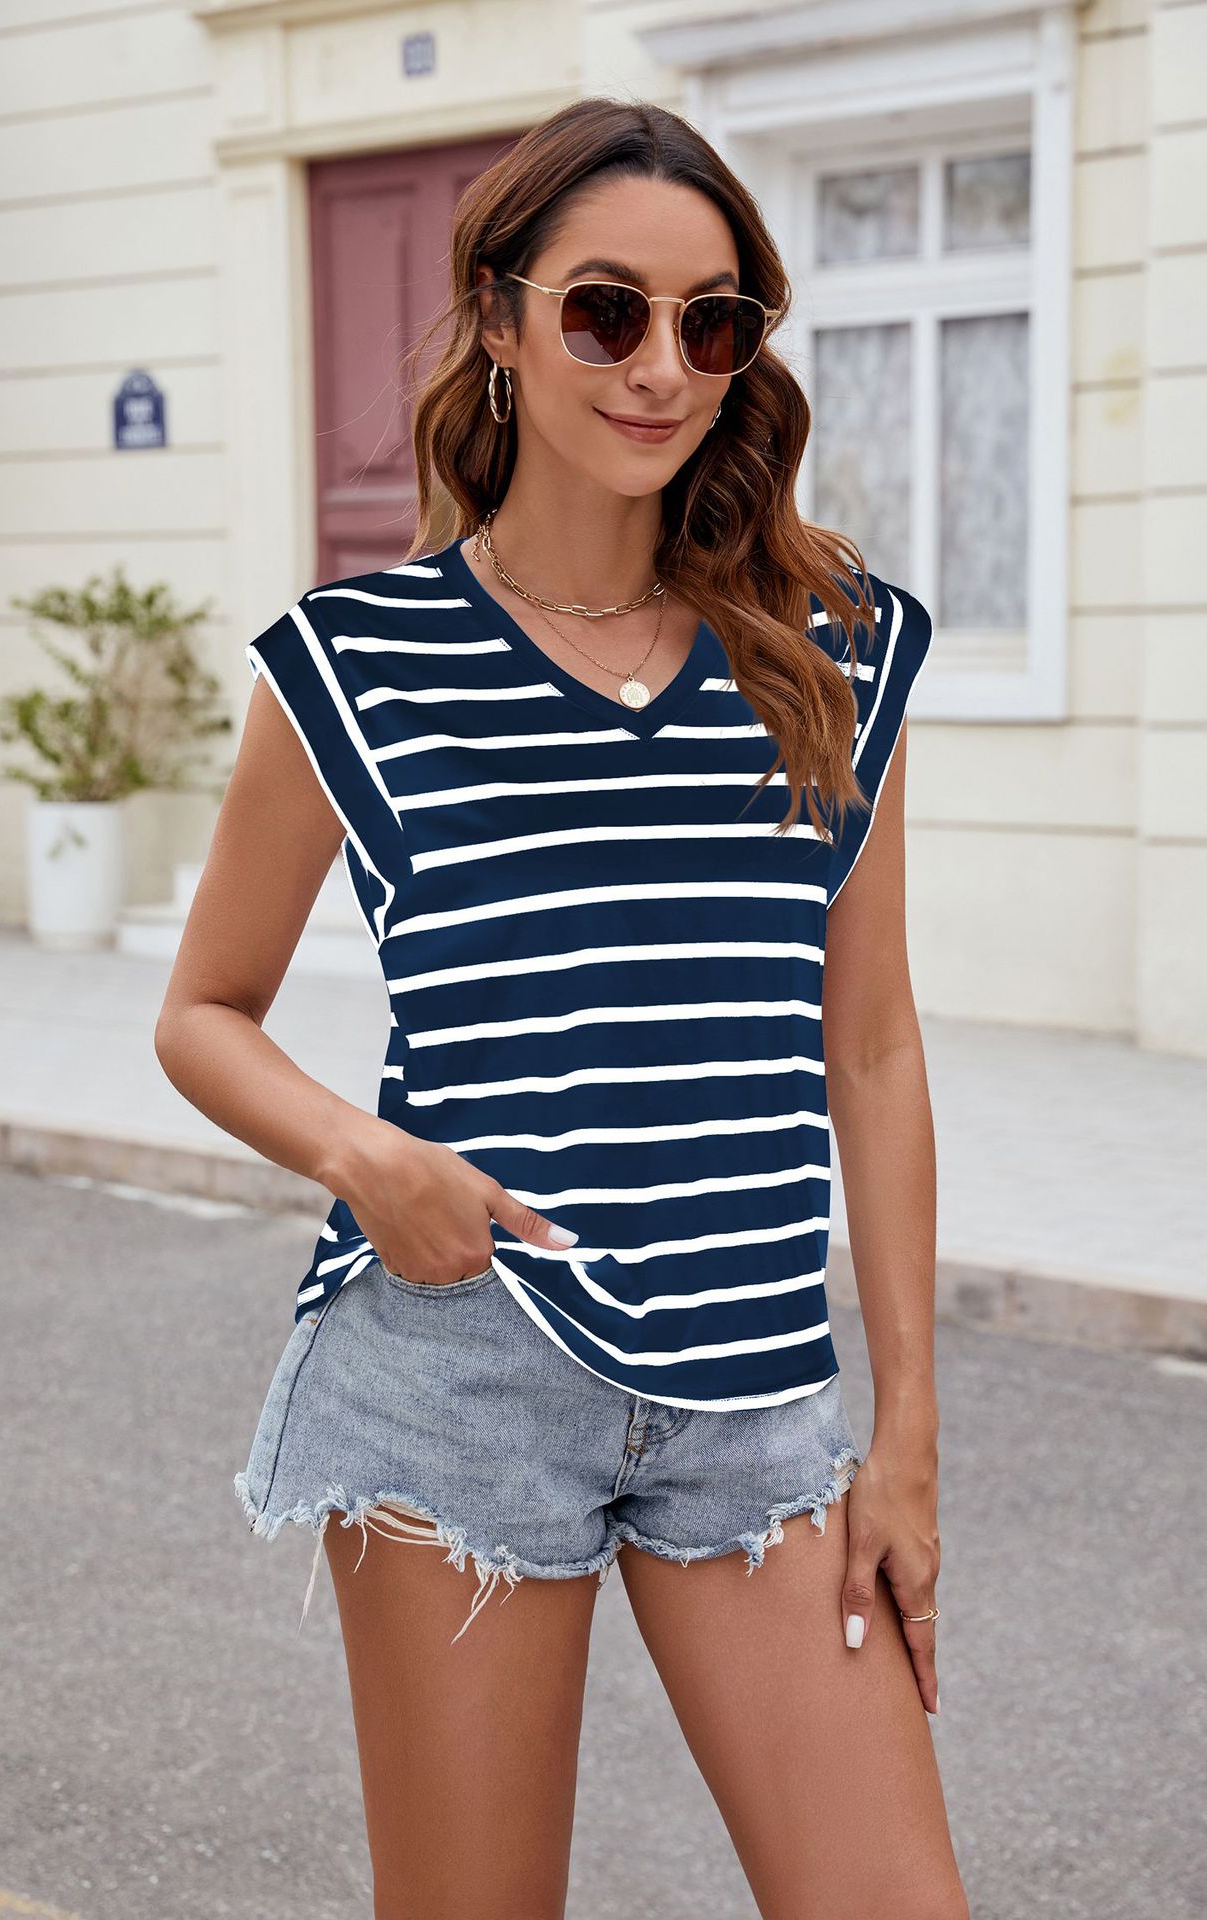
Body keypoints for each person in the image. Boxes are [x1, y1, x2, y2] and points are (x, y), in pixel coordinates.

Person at [155, 95, 967, 1920]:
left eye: (712, 321)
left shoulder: (836, 651)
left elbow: (872, 1042)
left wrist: (907, 1426)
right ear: (501, 323)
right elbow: (202, 1010)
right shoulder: (355, 665)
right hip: (460, 1375)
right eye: (607, 311)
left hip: (758, 1396)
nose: (662, 367)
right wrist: (369, 1161)